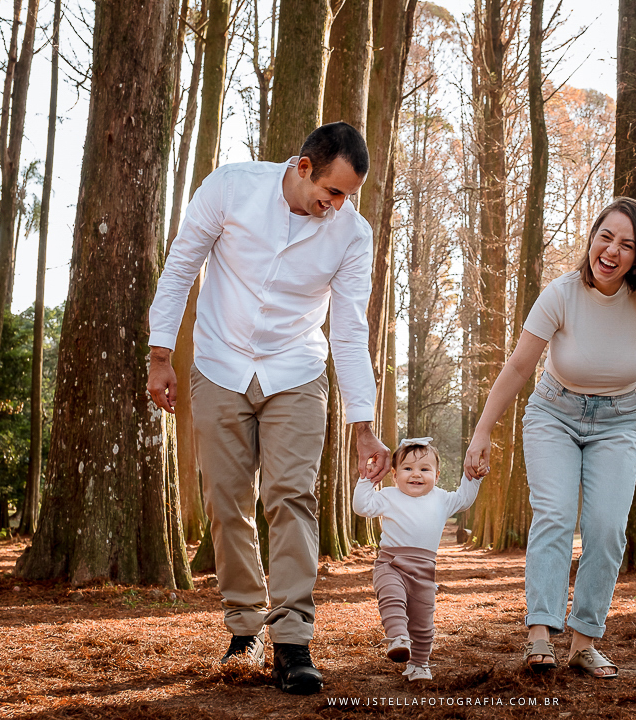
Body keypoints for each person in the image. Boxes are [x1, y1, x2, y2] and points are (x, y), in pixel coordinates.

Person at [147, 122, 391, 695]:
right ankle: (243, 630)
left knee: (291, 497)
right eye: (332, 192)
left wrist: (364, 426)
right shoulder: (231, 187)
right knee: (226, 500)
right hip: (219, 362)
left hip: (296, 370)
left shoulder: (353, 235)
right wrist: (160, 356)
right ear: (303, 167)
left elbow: (349, 331)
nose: (338, 206)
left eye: (349, 196)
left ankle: (292, 642)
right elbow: (181, 266)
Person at [464, 197, 636, 679]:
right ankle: (540, 633)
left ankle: (584, 642)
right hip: (553, 415)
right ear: (592, 238)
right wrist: (482, 430)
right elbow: (519, 366)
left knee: (606, 528)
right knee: (555, 515)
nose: (612, 251)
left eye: (627, 245)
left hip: (619, 423)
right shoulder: (561, 293)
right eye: (606, 237)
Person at [353, 437, 482, 681]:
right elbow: (362, 507)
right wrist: (367, 480)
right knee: (392, 598)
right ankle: (398, 638)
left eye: (424, 469)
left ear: (437, 475)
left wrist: (473, 478)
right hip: (391, 563)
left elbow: (464, 499)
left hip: (424, 570)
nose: (416, 474)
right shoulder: (389, 496)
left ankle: (419, 665)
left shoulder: (442, 498)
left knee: (423, 622)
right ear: (394, 474)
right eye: (407, 468)